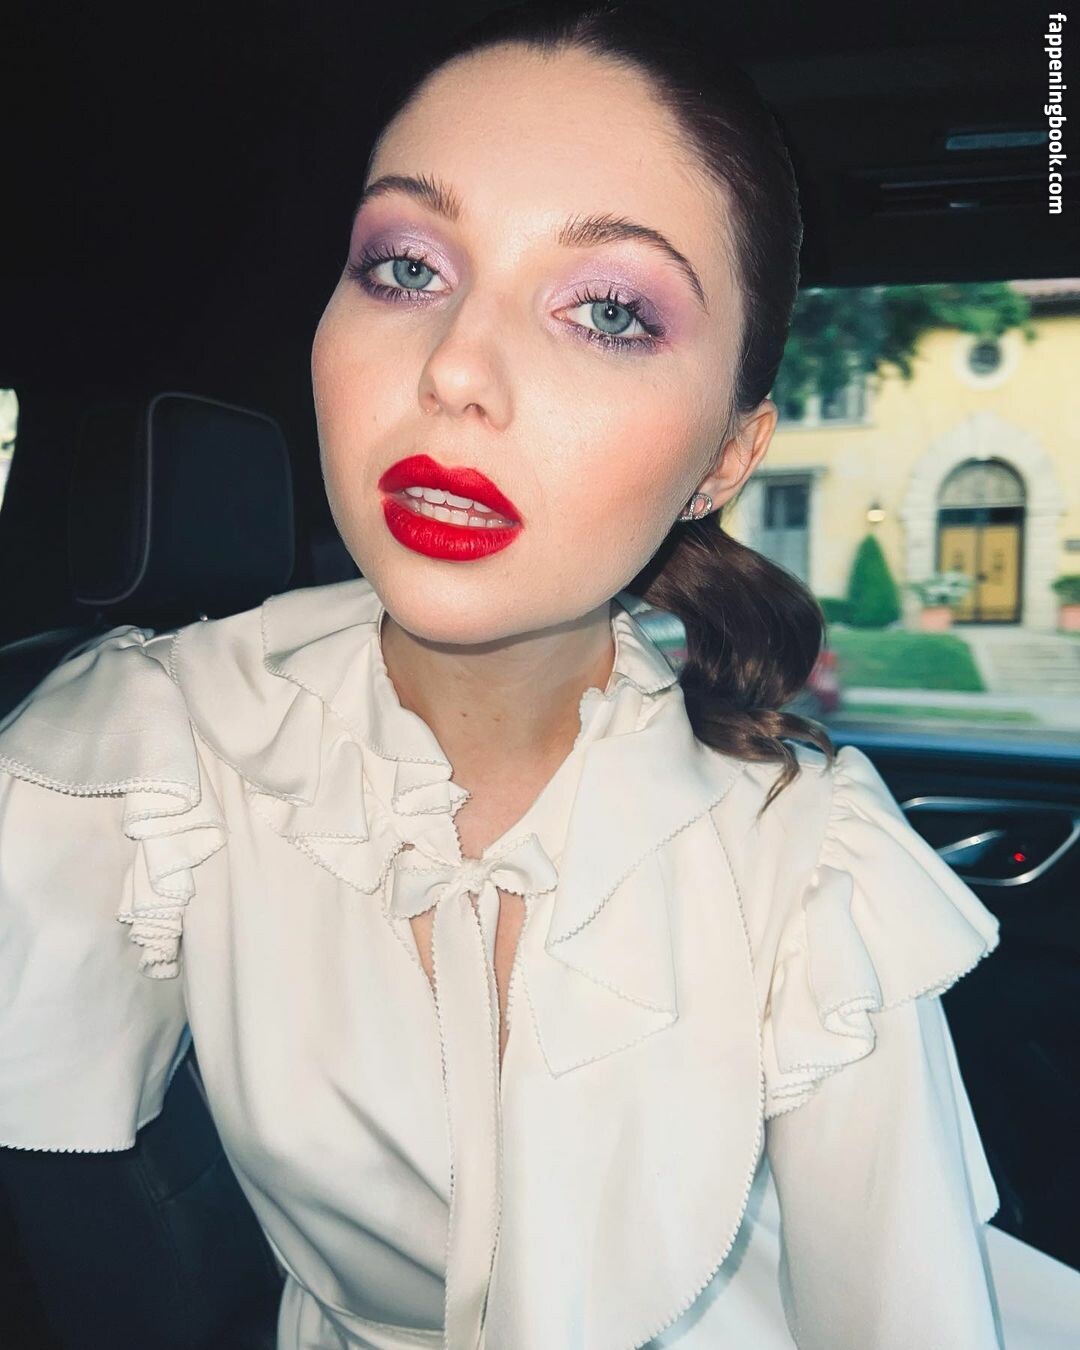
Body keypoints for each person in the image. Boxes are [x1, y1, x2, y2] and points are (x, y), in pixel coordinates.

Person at [2, 2, 1078, 1346]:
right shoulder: (132, 761)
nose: (456, 367)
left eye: (610, 311)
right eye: (406, 268)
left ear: (726, 457)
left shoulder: (808, 860)